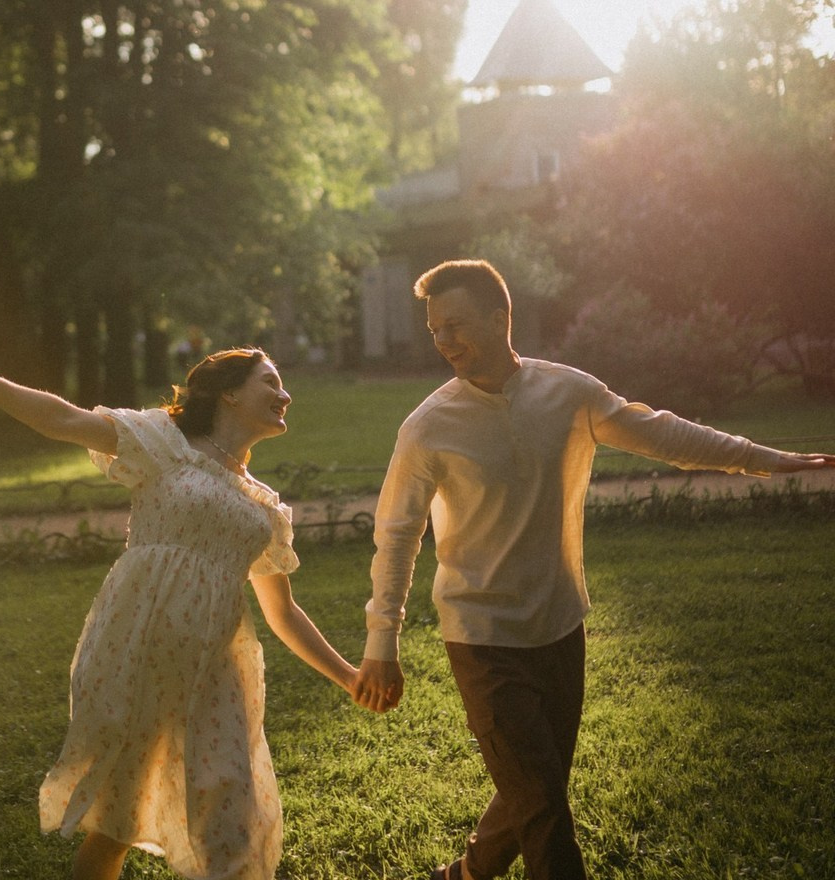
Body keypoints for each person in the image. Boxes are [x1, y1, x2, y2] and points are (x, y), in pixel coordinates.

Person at [350, 259, 835, 880]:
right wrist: (381, 642)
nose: (443, 342)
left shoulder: (569, 393)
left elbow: (664, 435)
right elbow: (395, 536)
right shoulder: (426, 428)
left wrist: (767, 460)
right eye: (434, 329)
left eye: (457, 325)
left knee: (538, 782)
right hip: (482, 637)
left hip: (559, 625)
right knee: (548, 812)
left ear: (501, 319)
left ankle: (466, 874)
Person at [0, 318, 358, 880]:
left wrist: (348, 677)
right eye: (269, 382)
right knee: (117, 821)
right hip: (139, 658)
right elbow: (61, 419)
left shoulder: (262, 507)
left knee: (231, 815)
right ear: (228, 392)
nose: (284, 394)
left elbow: (282, 612)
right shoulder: (162, 445)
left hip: (217, 672)